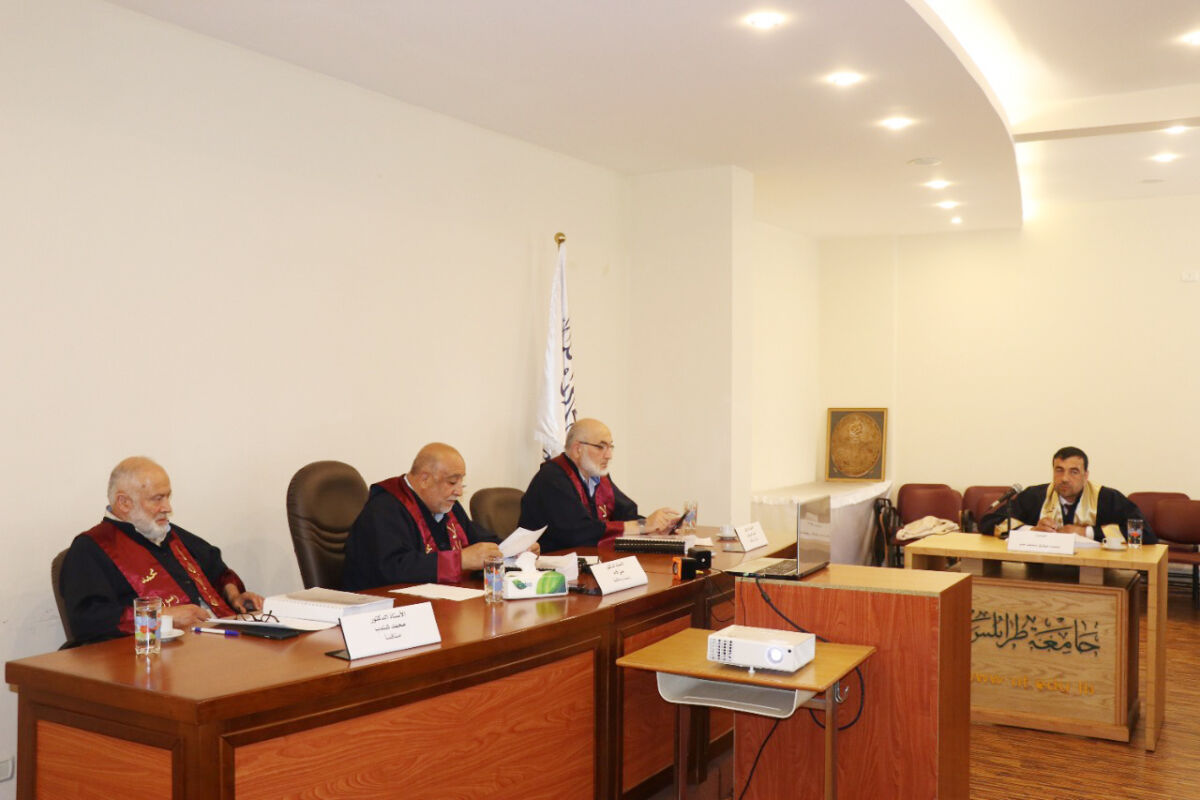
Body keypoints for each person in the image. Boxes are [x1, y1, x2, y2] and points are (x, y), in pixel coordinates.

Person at [60, 457, 264, 647]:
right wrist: (164, 617)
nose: (167, 507)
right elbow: (89, 620)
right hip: (154, 653)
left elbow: (216, 570)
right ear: (124, 503)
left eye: (167, 497)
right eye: (157, 499)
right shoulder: (90, 548)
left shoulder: (169, 533)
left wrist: (234, 596)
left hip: (216, 640)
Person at [342, 443, 502, 590]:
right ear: (425, 479)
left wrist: (510, 550)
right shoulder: (384, 508)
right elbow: (392, 568)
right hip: (384, 605)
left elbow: (478, 540)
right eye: (452, 482)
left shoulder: (447, 505)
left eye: (461, 483)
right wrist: (459, 561)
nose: (459, 491)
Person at [519, 418, 679, 552]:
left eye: (611, 447)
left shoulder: (597, 478)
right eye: (601, 447)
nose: (609, 455)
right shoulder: (552, 478)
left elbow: (626, 515)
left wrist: (657, 527)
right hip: (551, 569)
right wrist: (643, 526)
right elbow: (579, 532)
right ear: (578, 449)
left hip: (590, 560)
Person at [979, 446, 1154, 543]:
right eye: (1059, 470)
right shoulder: (1034, 496)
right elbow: (988, 523)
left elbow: (1144, 533)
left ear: (1086, 475)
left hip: (1095, 574)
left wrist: (1086, 532)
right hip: (1041, 572)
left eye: (1074, 472)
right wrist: (1031, 530)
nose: (1064, 478)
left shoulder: (1108, 498)